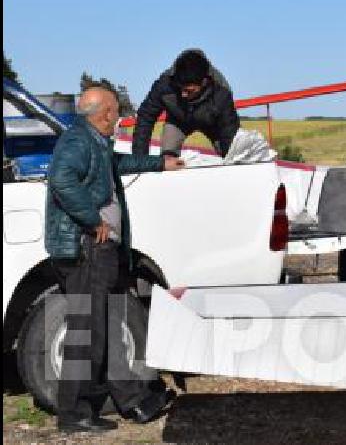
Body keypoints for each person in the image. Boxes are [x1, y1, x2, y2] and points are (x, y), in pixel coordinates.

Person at [45, 86, 184, 433]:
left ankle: (127, 400)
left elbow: (116, 163)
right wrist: (94, 221)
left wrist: (159, 164)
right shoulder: (79, 141)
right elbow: (61, 178)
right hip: (87, 250)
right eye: (116, 112)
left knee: (103, 327)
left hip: (97, 252)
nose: (119, 119)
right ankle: (74, 414)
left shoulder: (92, 141)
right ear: (104, 113)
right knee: (85, 334)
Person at [132, 49, 240, 157]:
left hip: (213, 124)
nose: (183, 94)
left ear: (204, 82)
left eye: (189, 91)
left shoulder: (222, 91)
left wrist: (231, 156)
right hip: (177, 121)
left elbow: (229, 130)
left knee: (232, 154)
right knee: (167, 159)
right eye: (180, 89)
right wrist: (140, 159)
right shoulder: (164, 84)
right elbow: (145, 117)